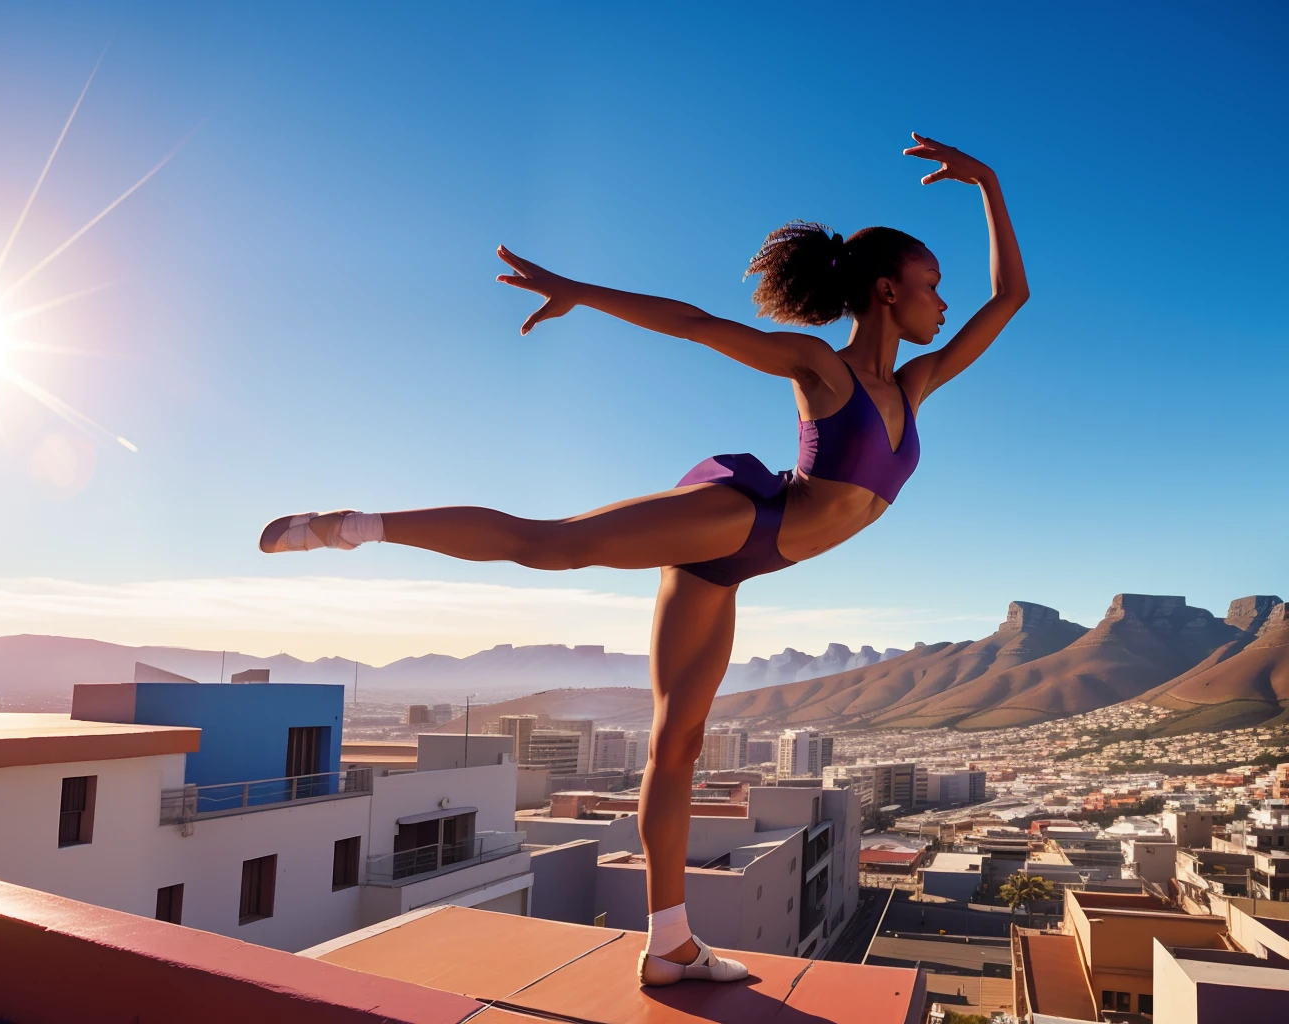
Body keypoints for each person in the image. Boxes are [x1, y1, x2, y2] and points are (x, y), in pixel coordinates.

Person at [259, 133, 1028, 985]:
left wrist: (988, 183)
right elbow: (699, 327)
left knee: (679, 744)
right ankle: (349, 524)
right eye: (932, 286)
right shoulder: (823, 369)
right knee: (552, 544)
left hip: (748, 565)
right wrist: (578, 293)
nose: (945, 304)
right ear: (887, 291)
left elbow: (1012, 296)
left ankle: (670, 945)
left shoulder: (915, 387)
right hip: (743, 518)